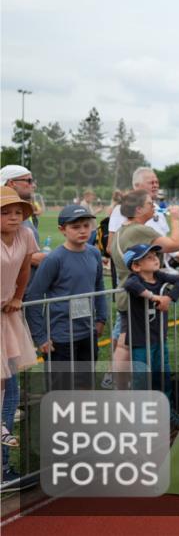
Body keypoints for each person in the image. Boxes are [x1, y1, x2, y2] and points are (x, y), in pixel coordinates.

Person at [25, 205, 107, 386]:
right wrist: (40, 337)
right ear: (62, 230)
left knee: (86, 384)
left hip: (87, 332)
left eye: (86, 226)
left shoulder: (94, 253)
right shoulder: (54, 259)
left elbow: (99, 286)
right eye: (75, 227)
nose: (82, 231)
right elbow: (33, 296)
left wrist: (101, 318)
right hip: (60, 336)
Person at [109, 190, 179, 384]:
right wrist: (176, 220)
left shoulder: (121, 230)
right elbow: (176, 244)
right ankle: (125, 391)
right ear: (139, 209)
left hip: (127, 294)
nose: (154, 206)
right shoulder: (139, 230)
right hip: (138, 297)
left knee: (123, 344)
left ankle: (121, 388)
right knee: (127, 347)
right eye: (150, 203)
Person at [121, 243, 179, 424]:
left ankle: (166, 412)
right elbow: (129, 284)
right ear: (136, 266)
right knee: (141, 381)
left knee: (162, 377)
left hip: (159, 339)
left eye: (155, 255)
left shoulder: (159, 276)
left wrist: (168, 298)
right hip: (140, 342)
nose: (155, 259)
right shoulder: (135, 279)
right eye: (148, 258)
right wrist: (154, 297)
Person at [0, 187, 39, 448]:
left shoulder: (25, 234)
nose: (13, 217)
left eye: (17, 212)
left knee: (5, 374)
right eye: (5, 212)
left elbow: (24, 270)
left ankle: (1, 425)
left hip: (7, 312)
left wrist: (17, 297)